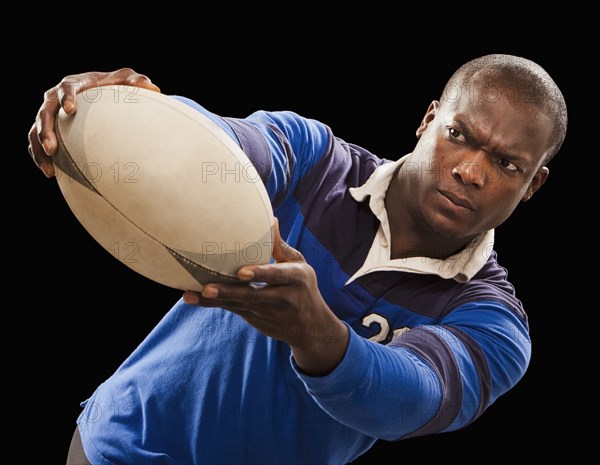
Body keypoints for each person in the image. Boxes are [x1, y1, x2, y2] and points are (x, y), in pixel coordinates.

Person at [28, 54, 567, 465]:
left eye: (505, 163)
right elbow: (222, 149)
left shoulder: (493, 323)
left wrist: (316, 333)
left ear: (533, 185)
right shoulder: (316, 161)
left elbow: (408, 401)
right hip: (119, 444)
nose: (471, 171)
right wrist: (127, 111)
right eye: (458, 135)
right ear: (428, 120)